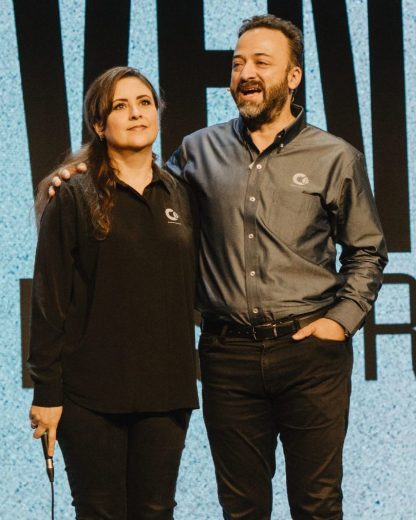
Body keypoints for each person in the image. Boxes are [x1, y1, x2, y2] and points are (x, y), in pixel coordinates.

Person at [49, 15, 388, 520]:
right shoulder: (196, 151)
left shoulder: (335, 157)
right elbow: (141, 196)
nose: (246, 73)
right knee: (241, 508)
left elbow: (367, 251)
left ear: (293, 76)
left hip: (310, 356)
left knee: (317, 504)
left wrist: (339, 323)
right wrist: (82, 175)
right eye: (237, 64)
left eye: (261, 63)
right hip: (227, 357)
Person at [28, 66, 198, 520]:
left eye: (144, 103)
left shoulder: (182, 194)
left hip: (167, 392)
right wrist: (47, 392)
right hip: (89, 397)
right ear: (99, 125)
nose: (136, 113)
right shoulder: (74, 193)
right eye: (120, 106)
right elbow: (48, 301)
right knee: (99, 512)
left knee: (156, 512)